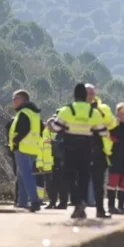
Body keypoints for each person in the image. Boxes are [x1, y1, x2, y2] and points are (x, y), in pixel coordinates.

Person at [49, 83, 109, 219]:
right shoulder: (93, 112)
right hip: (86, 149)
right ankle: (80, 207)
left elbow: (56, 128)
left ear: (75, 95)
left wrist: (50, 124)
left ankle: (77, 202)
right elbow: (103, 131)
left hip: (70, 148)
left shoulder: (67, 110)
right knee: (84, 178)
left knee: (69, 176)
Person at [85, 83, 117, 218]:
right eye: (87, 93)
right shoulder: (76, 109)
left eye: (92, 92)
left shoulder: (103, 109)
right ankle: (80, 208)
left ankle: (100, 209)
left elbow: (113, 125)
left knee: (98, 182)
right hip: (81, 150)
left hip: (100, 150)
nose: (90, 95)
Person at [8, 89, 43, 212]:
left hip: (22, 148)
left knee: (26, 175)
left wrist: (15, 141)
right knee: (22, 176)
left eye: (15, 98)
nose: (13, 101)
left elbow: (23, 130)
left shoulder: (23, 113)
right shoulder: (34, 113)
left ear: (22, 100)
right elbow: (42, 129)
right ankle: (22, 202)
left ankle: (35, 201)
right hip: (33, 149)